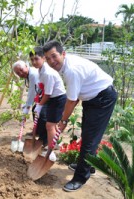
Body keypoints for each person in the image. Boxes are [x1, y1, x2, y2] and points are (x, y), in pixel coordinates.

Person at [43, 40, 117, 192]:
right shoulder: (65, 66)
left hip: (102, 98)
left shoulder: (71, 70)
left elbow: (71, 100)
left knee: (90, 139)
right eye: (48, 58)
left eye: (54, 56)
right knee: (88, 135)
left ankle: (81, 177)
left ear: (63, 54)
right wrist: (63, 120)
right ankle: (89, 164)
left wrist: (63, 120)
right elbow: (74, 97)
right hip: (92, 98)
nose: (51, 61)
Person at [29, 47, 66, 157]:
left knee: (50, 126)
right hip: (52, 98)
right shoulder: (41, 70)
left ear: (43, 58)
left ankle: (51, 152)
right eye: (32, 60)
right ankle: (53, 144)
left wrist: (40, 105)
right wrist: (38, 100)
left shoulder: (47, 73)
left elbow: (48, 93)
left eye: (36, 59)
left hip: (58, 99)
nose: (34, 62)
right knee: (52, 126)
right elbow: (43, 89)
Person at [12, 60, 48, 146]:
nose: (20, 73)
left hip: (50, 95)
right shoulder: (29, 75)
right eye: (18, 73)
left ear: (26, 66)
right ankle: (37, 132)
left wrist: (26, 108)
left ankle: (44, 140)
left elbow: (32, 92)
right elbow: (33, 92)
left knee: (42, 115)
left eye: (21, 70)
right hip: (42, 94)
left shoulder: (33, 74)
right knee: (35, 110)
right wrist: (27, 106)